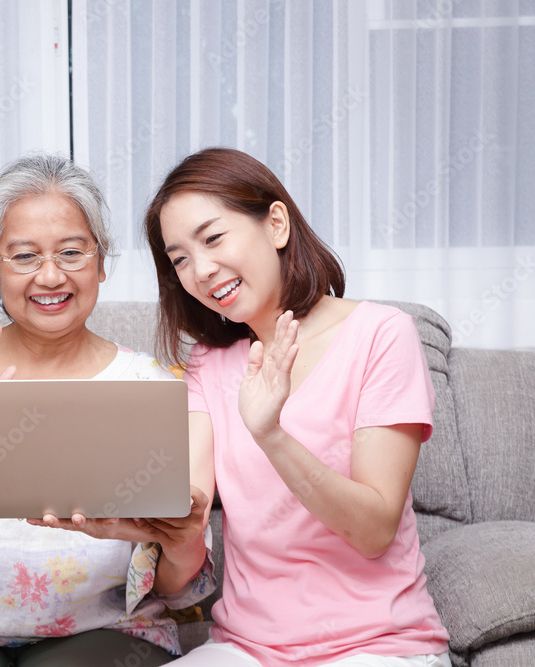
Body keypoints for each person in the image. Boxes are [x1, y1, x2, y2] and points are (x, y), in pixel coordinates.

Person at [0, 153, 214, 666]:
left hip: (101, 630)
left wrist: (183, 539)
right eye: (24, 256)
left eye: (72, 252)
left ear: (101, 258)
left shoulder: (150, 389)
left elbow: (177, 588)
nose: (50, 277)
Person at [142, 147, 451, 666]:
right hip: (246, 651)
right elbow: (186, 549)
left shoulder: (381, 335)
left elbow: (374, 531)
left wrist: (272, 436)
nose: (201, 270)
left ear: (277, 223)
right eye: (180, 260)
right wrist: (154, 526)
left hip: (376, 646)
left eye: (213, 238)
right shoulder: (207, 364)